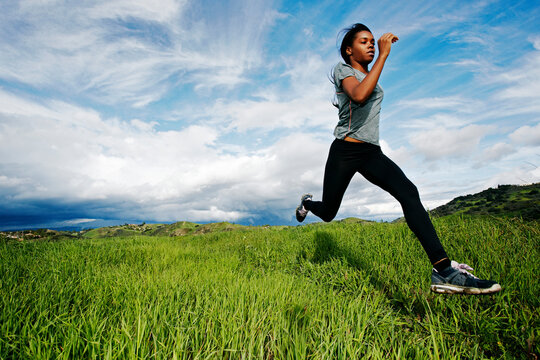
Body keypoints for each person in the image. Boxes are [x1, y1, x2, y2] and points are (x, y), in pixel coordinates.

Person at [295, 23, 501, 295]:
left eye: (372, 41)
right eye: (364, 41)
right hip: (345, 150)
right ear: (349, 49)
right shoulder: (342, 69)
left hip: (370, 152)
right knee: (330, 212)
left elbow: (367, 93)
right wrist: (382, 55)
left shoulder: (370, 76)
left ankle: (443, 270)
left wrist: (378, 60)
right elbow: (358, 96)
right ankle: (308, 203)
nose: (370, 44)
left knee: (408, 192)